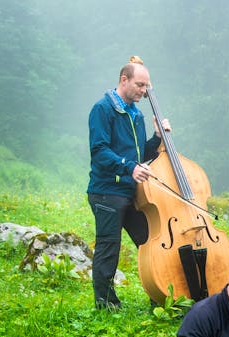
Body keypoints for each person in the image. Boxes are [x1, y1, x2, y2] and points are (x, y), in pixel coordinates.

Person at [86, 56, 170, 310]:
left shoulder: (136, 114)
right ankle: (105, 304)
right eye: (140, 85)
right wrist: (129, 167)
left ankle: (159, 296)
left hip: (132, 193)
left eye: (146, 87)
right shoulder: (103, 109)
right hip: (106, 191)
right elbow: (99, 151)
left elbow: (140, 156)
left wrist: (157, 137)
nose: (144, 92)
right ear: (124, 80)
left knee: (149, 242)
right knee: (109, 247)